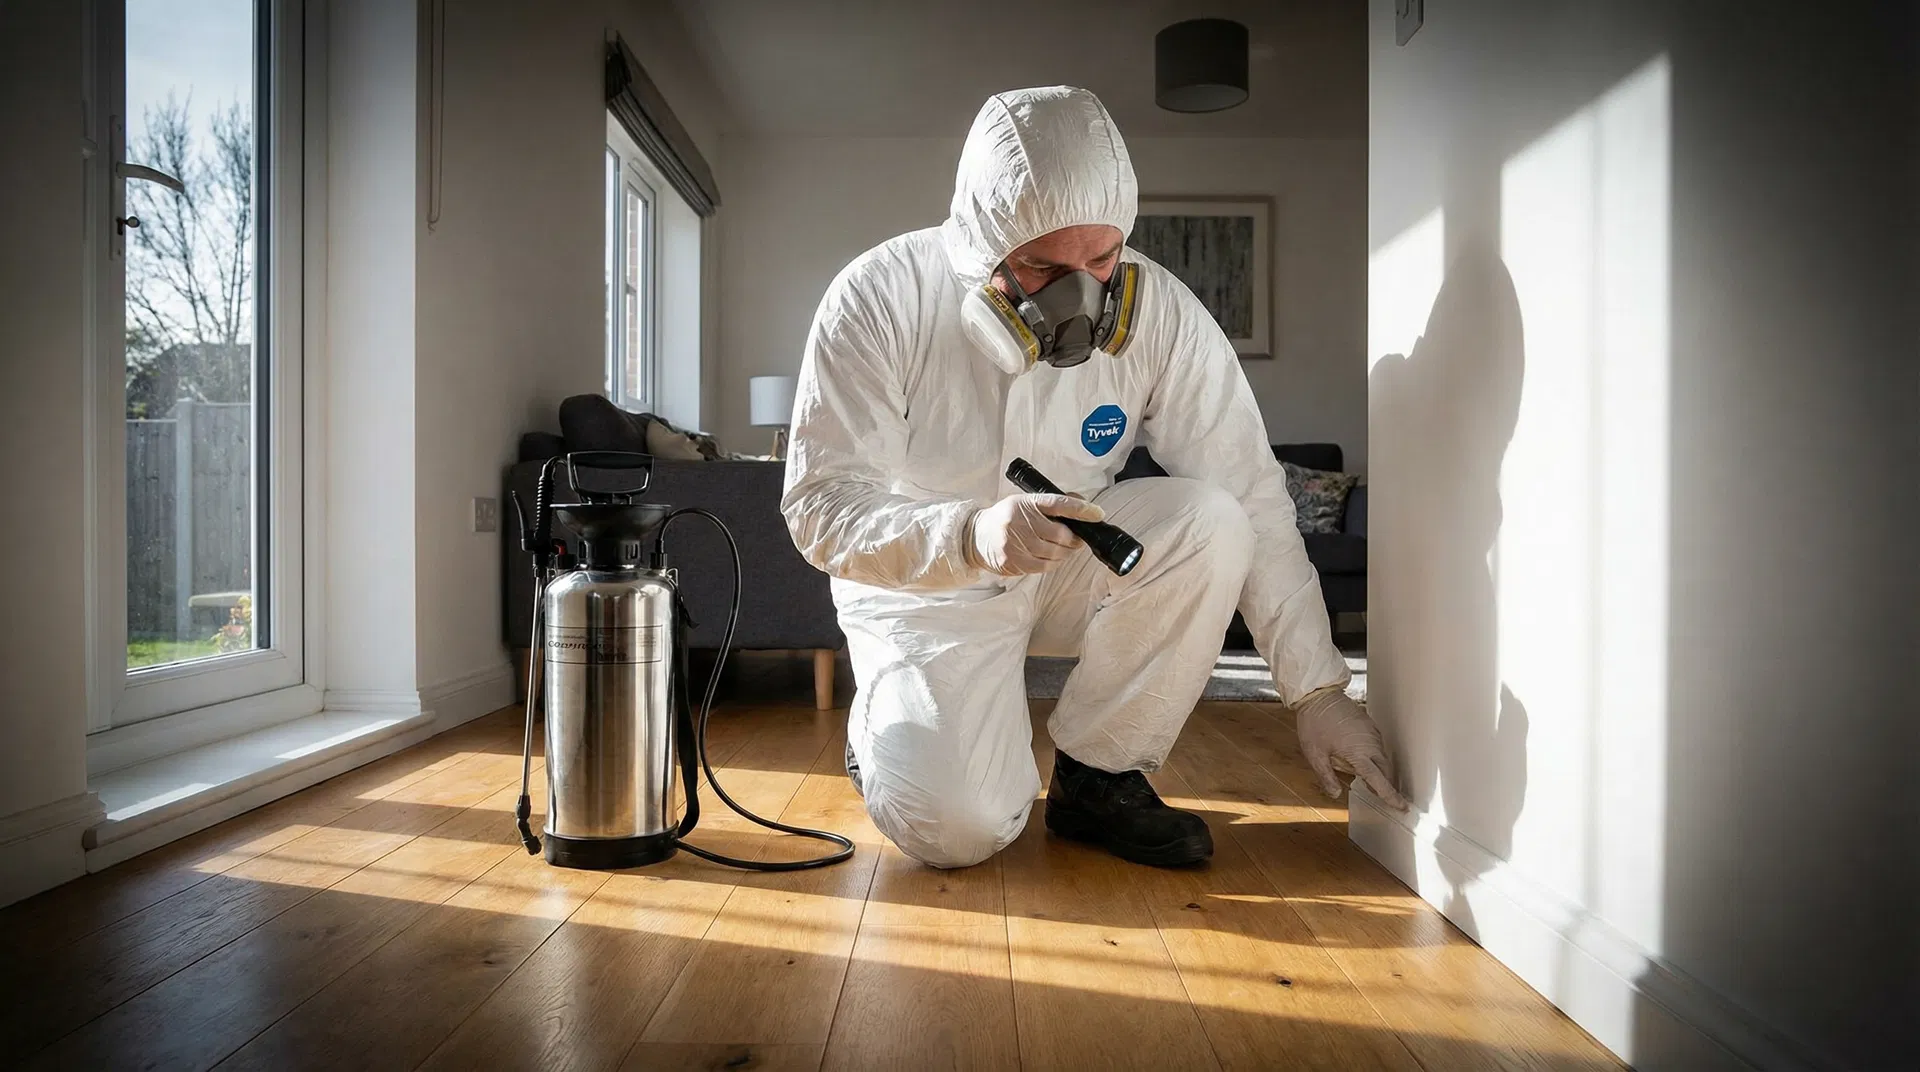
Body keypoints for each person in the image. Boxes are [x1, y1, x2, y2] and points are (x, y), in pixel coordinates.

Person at [780, 85, 1406, 870]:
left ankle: (1099, 778)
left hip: (1064, 564)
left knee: (1214, 519)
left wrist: (1318, 692)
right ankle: (887, 731)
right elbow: (820, 508)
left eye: (1103, 260)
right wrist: (969, 535)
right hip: (924, 582)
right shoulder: (878, 296)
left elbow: (1252, 491)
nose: (1084, 296)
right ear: (982, 242)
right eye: (1043, 267)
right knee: (961, 830)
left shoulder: (1162, 316)